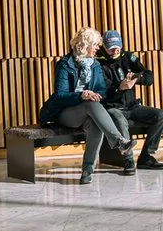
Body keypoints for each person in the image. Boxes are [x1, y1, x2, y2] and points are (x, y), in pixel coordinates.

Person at [40, 28, 134, 183]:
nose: (98, 48)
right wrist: (82, 95)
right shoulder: (65, 64)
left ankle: (87, 172)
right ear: (84, 45)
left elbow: (102, 91)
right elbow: (60, 95)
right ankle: (118, 141)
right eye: (95, 45)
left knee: (95, 124)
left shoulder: (95, 65)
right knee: (90, 104)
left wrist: (93, 94)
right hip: (64, 112)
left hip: (88, 111)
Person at [95, 30, 163, 170]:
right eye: (111, 47)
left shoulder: (128, 57)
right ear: (104, 47)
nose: (115, 49)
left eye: (117, 45)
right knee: (120, 121)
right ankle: (128, 159)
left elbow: (149, 77)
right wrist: (120, 87)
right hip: (112, 107)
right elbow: (102, 90)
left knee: (161, 116)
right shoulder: (98, 63)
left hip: (132, 106)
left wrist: (137, 78)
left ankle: (146, 156)